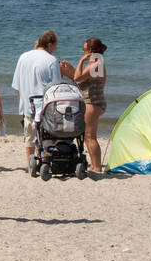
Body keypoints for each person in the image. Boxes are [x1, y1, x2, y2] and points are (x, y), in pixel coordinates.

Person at [12, 30, 74, 165]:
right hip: (45, 108)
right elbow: (56, 88)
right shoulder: (51, 60)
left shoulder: (23, 57)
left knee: (29, 138)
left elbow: (17, 86)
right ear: (50, 45)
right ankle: (49, 159)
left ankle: (30, 163)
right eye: (55, 46)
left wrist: (22, 105)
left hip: (28, 106)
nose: (55, 50)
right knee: (47, 136)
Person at [73, 37, 107, 172]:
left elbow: (76, 78)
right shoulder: (97, 63)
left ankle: (97, 167)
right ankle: (93, 165)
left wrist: (81, 60)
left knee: (90, 136)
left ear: (90, 50)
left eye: (84, 49)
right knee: (88, 136)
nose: (82, 51)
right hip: (95, 101)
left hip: (93, 103)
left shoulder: (94, 65)